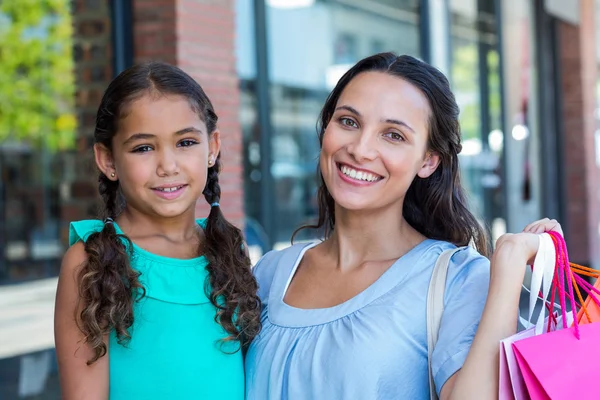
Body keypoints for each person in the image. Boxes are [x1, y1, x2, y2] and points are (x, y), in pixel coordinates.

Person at [244, 52, 563, 400]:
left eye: (393, 135)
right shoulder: (270, 274)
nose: (361, 149)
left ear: (428, 161)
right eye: (348, 122)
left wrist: (509, 267)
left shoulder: (458, 279)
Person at [54, 62, 261, 399]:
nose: (168, 166)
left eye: (186, 142)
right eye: (144, 148)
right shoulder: (91, 263)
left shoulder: (228, 249)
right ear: (107, 160)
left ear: (212, 147)